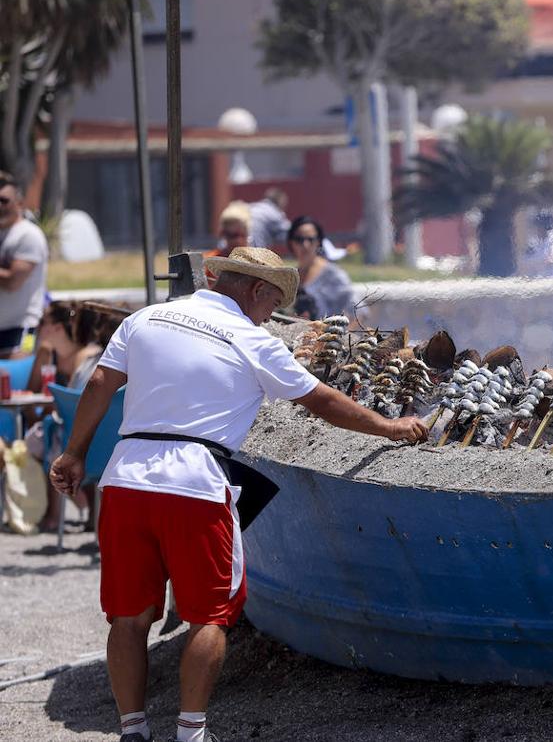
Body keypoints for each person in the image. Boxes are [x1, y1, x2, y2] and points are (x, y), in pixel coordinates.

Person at [50, 247, 427, 742]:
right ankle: (191, 733)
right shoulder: (253, 339)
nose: (271, 314)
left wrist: (74, 454)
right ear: (255, 289)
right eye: (272, 302)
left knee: (128, 616)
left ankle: (133, 730)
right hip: (196, 484)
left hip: (126, 481)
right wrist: (389, 426)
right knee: (208, 616)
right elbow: (321, 400)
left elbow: (100, 382)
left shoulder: (146, 318)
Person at [26, 301, 105, 531]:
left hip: (76, 430)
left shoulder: (86, 357)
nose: (38, 327)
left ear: (58, 327)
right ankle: (68, 509)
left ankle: (57, 514)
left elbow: (75, 404)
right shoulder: (46, 353)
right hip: (65, 426)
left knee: (51, 440)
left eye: (43, 322)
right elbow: (31, 394)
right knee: (44, 437)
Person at [0, 171, 48, 356]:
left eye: (4, 200)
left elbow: (13, 282)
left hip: (24, 329)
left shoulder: (28, 235)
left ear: (19, 203)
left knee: (18, 372)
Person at [287, 216, 354, 321]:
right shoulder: (290, 277)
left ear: (318, 241)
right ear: (291, 242)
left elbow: (358, 313)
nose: (305, 245)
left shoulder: (334, 275)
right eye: (299, 239)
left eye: (310, 239)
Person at [523, 210, 553, 277]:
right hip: (544, 279)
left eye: (537, 226)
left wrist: (534, 264)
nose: (535, 229)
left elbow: (552, 259)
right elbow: (526, 260)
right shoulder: (537, 242)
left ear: (544, 226)